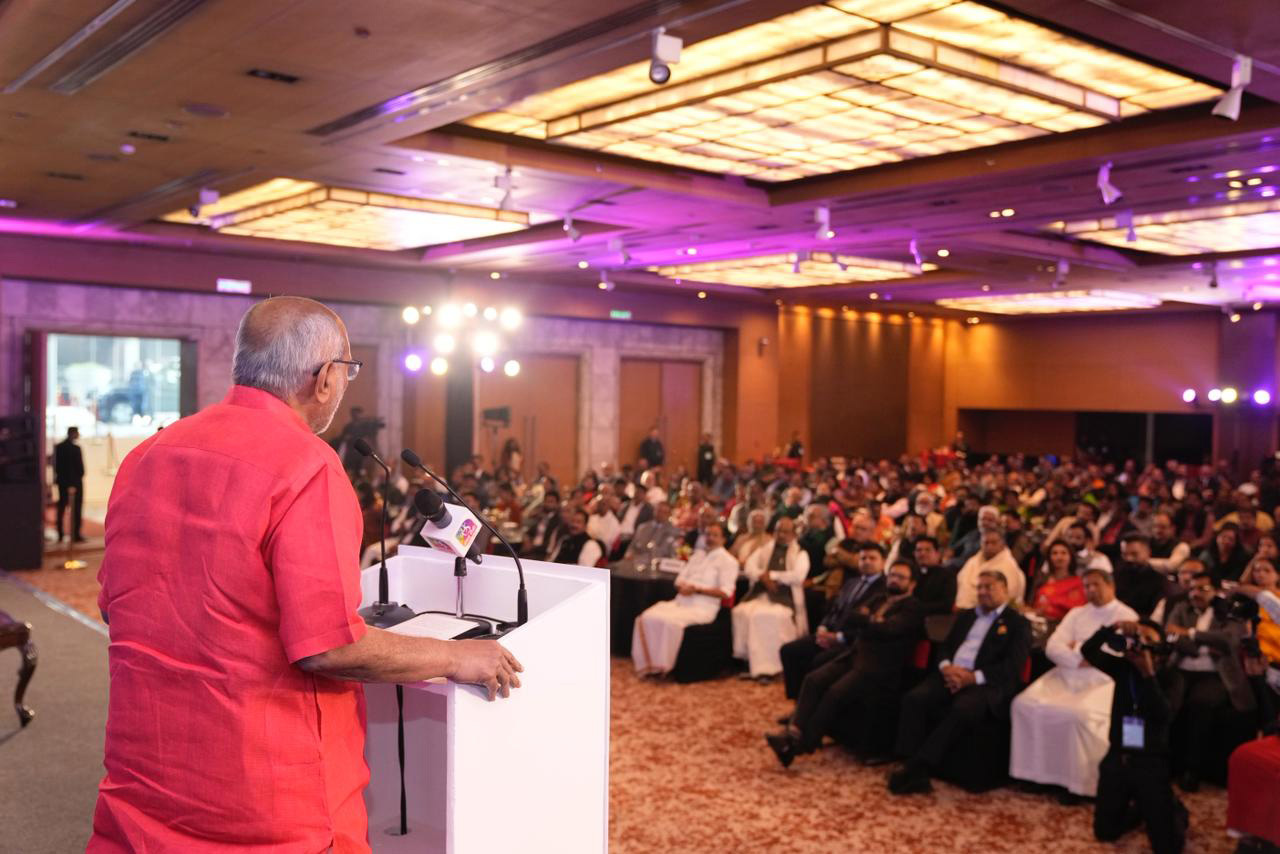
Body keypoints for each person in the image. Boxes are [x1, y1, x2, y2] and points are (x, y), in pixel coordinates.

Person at [90, 297, 521, 853]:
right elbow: (326, 648)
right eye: (348, 370)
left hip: (147, 772)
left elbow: (117, 607)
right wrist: (456, 657)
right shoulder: (306, 466)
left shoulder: (148, 454)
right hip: (262, 793)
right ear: (323, 378)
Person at [766, 559, 924, 766]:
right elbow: (851, 616)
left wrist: (869, 620)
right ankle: (794, 731)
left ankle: (798, 745)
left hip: (878, 665)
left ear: (912, 584)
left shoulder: (913, 607)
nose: (894, 580)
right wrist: (873, 620)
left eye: (901, 577)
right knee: (813, 679)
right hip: (854, 654)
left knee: (835, 692)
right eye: (892, 575)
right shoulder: (880, 598)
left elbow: (888, 629)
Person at [890, 571, 1031, 794]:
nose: (982, 592)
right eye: (979, 587)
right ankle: (906, 759)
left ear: (1005, 590)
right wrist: (947, 667)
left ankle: (919, 766)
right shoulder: (967, 616)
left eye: (989, 587)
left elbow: (1012, 666)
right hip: (951, 673)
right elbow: (945, 646)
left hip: (985, 682)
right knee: (914, 699)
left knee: (963, 709)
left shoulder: (1017, 623)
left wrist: (972, 678)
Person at [1010, 569, 1139, 799]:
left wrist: (1076, 647)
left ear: (1111, 586)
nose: (1091, 590)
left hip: (1102, 679)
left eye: (1096, 585)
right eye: (1086, 586)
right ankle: (1035, 775)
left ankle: (1077, 785)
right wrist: (1080, 656)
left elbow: (1116, 652)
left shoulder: (1126, 615)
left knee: (1078, 716)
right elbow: (1053, 646)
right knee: (1025, 705)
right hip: (1067, 672)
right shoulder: (1077, 613)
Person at [1082, 620, 1188, 854]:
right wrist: (1113, 627)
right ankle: (1140, 809)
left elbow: (1164, 714)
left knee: (1167, 847)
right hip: (1118, 756)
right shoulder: (1123, 668)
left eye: (1149, 639)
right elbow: (1088, 650)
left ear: (1161, 649)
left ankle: (1174, 810)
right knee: (1105, 832)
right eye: (1139, 638)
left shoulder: (1172, 677)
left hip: (1150, 761)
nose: (1142, 644)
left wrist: (1148, 674)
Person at [1165, 571, 1256, 791]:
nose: (1196, 593)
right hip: (1181, 669)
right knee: (1166, 702)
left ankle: (1193, 770)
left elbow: (1229, 640)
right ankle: (1165, 765)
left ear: (1215, 591)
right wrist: (1204, 645)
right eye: (1193, 589)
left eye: (1203, 589)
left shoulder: (1228, 612)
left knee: (1200, 705)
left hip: (1215, 674)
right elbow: (1170, 635)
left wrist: (1191, 633)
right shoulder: (1181, 608)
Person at [779, 542, 886, 700]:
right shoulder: (851, 583)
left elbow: (870, 624)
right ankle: (798, 702)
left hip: (851, 641)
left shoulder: (885, 589)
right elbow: (834, 609)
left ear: (883, 561)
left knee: (818, 661)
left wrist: (839, 637)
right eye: (863, 558)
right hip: (829, 633)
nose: (867, 562)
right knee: (789, 650)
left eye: (872, 558)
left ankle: (811, 705)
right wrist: (823, 627)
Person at [631, 522, 737, 676]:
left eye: (715, 535)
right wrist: (683, 587)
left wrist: (697, 590)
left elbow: (726, 592)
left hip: (703, 607)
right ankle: (649, 664)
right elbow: (679, 579)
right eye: (708, 534)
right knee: (646, 617)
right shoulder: (698, 555)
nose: (710, 538)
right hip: (681, 601)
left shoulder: (728, 561)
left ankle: (664, 667)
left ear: (723, 539)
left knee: (669, 623)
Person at [733, 517, 810, 680]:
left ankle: (770, 667)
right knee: (742, 612)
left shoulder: (800, 553)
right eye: (778, 531)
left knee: (764, 616)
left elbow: (798, 576)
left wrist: (773, 576)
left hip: (784, 599)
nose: (781, 535)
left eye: (785, 532)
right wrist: (762, 576)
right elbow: (750, 566)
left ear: (793, 534)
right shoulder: (765, 549)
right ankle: (750, 663)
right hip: (760, 595)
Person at [955, 528, 1026, 608]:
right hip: (962, 609)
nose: (989, 546)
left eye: (993, 543)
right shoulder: (972, 561)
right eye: (986, 543)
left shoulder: (1010, 567)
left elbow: (1006, 598)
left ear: (1002, 543)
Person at [1030, 539, 1087, 624]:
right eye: (1054, 553)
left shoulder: (1078, 583)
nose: (1059, 557)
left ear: (1071, 557)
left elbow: (1079, 613)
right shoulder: (1042, 580)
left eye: (1063, 553)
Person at [1114, 533, 1167, 618]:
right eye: (1125, 554)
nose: (1129, 559)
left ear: (1148, 553)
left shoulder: (1159, 581)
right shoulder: (1115, 576)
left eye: (1134, 554)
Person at [908, 536, 957, 616]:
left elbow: (947, 605)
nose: (923, 553)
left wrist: (917, 608)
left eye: (928, 550)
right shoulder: (909, 573)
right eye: (919, 550)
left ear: (937, 554)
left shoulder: (947, 575)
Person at [624, 500, 681, 567]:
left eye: (664, 512)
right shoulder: (642, 527)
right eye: (659, 511)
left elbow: (671, 555)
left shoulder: (674, 532)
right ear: (654, 511)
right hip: (634, 562)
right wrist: (629, 553)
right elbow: (632, 546)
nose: (660, 514)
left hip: (656, 565)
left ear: (669, 514)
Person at [53, 425, 86, 543]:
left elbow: (56, 466)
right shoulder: (76, 449)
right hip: (76, 482)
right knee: (76, 508)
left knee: (61, 507)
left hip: (62, 482)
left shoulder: (58, 447)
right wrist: (77, 478)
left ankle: (60, 534)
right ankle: (75, 534)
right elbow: (80, 468)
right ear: (73, 433)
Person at [520, 490, 563, 560]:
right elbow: (529, 531)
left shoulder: (558, 521)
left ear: (557, 504)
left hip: (541, 554)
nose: (548, 504)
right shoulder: (541, 516)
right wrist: (526, 539)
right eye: (546, 501)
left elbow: (550, 543)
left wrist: (532, 547)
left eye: (551, 502)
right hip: (530, 549)